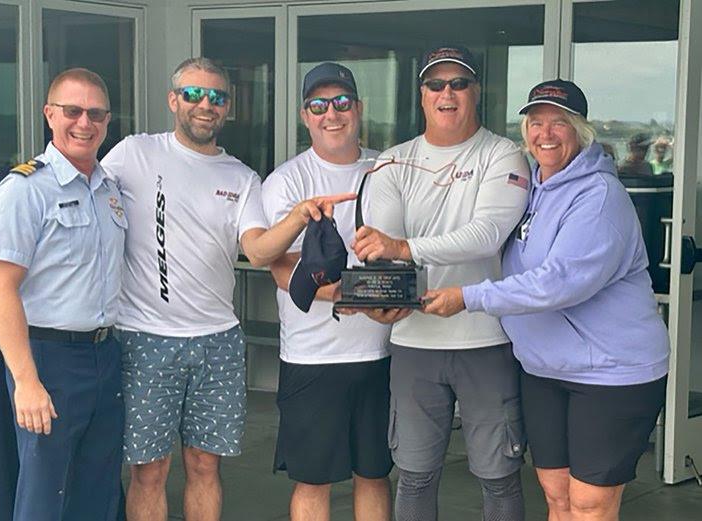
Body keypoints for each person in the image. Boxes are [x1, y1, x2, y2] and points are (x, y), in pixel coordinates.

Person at [100, 57, 352, 521]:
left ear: (228, 108)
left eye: (216, 97)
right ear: (173, 100)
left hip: (218, 341)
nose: (205, 105)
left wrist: (299, 216)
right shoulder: (133, 154)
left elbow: (257, 251)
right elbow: (89, 204)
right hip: (145, 337)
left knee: (204, 465)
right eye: (193, 94)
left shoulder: (241, 177)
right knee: (149, 471)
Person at [424, 79, 669, 521]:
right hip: (543, 370)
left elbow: (557, 283)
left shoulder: (599, 197)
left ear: (580, 131)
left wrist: (468, 297)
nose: (546, 134)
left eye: (560, 123)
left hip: (610, 374)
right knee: (556, 495)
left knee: (590, 505)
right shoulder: (529, 187)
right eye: (536, 123)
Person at [350, 46, 530, 521]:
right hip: (413, 341)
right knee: (414, 474)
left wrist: (404, 247)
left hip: (486, 338)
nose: (446, 93)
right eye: (436, 84)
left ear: (476, 92)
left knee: (499, 477)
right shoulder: (392, 161)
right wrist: (381, 290)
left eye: (458, 83)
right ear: (423, 95)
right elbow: (381, 251)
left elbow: (487, 235)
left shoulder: (503, 153)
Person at [0, 68, 125, 521]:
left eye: (96, 113)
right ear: (50, 114)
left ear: (107, 121)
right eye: (72, 111)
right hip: (48, 358)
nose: (84, 123)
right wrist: (26, 380)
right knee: (46, 491)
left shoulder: (110, 190)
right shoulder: (25, 190)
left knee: (98, 488)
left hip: (106, 355)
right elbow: (0, 287)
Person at [261, 62, 393, 521]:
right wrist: (353, 294)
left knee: (375, 474)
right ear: (305, 115)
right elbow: (282, 269)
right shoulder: (287, 180)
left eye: (340, 103)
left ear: (358, 108)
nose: (330, 114)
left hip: (383, 353)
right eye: (318, 105)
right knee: (313, 480)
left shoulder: (387, 170)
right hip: (312, 357)